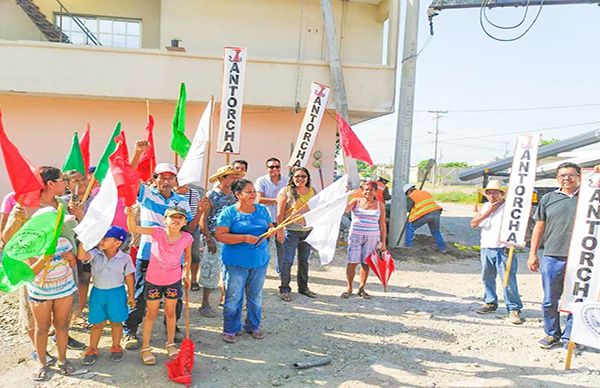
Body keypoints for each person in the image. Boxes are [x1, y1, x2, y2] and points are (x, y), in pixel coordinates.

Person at [122, 162, 192, 350]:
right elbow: (129, 178)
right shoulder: (147, 193)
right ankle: (130, 330)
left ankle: (173, 328)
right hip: (147, 254)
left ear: (175, 181)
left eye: (170, 177)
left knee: (173, 297)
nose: (166, 181)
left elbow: (186, 227)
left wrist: (186, 264)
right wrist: (137, 155)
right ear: (155, 179)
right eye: (162, 177)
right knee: (140, 294)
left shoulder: (182, 201)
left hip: (173, 259)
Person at [126, 205, 193, 365]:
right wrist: (130, 214)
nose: (176, 220)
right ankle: (146, 346)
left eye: (180, 217)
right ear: (165, 220)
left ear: (185, 221)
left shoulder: (187, 238)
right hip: (154, 280)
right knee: (151, 313)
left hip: (173, 280)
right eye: (172, 217)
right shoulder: (157, 232)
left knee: (171, 313)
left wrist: (186, 273)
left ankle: (170, 343)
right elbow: (133, 227)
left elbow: (188, 256)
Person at [528, 162, 580, 349]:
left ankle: (570, 337)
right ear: (557, 178)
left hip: (581, 259)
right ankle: (552, 334)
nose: (567, 178)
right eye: (562, 175)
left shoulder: (590, 198)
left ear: (578, 177)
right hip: (552, 256)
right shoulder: (549, 199)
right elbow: (539, 228)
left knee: (577, 300)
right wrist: (533, 253)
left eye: (571, 175)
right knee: (551, 299)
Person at [215, 179, 273, 343]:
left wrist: (272, 231)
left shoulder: (262, 210)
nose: (253, 195)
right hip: (235, 263)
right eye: (249, 192)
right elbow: (220, 235)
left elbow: (269, 226)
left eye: (254, 191)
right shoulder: (228, 213)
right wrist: (244, 238)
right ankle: (231, 328)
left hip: (259, 261)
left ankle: (253, 326)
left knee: (256, 296)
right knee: (234, 296)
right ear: (238, 195)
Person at [25, 209, 78, 381]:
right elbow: (30, 273)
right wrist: (43, 259)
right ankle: (41, 363)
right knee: (42, 327)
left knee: (62, 325)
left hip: (64, 289)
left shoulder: (63, 241)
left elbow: (72, 264)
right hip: (40, 292)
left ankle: (63, 359)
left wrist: (71, 258)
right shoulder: (31, 246)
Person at [77, 226, 135, 365]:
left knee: (116, 322)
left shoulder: (125, 258)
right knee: (97, 323)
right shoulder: (96, 254)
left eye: (105, 239)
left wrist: (131, 295)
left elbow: (129, 277)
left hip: (117, 294)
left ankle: (116, 346)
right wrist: (84, 238)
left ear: (117, 243)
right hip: (98, 293)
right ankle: (92, 349)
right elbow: (81, 256)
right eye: (100, 238)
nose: (101, 241)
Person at [470, 180, 523, 324]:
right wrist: (488, 212)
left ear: (501, 194)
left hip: (504, 248)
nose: (491, 195)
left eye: (495, 192)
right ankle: (490, 302)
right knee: (487, 276)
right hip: (486, 247)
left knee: (507, 279)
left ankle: (513, 308)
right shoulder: (485, 207)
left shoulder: (510, 208)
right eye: (489, 192)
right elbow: (474, 224)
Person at [199, 165, 244, 317]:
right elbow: (203, 219)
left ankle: (226, 299)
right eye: (231, 176)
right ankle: (205, 303)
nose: (234, 179)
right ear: (221, 178)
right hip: (214, 236)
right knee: (210, 269)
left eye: (235, 176)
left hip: (231, 237)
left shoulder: (236, 195)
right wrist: (208, 238)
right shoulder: (211, 195)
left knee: (231, 270)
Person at [276, 166, 317, 302]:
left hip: (307, 232)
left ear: (308, 178)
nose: (300, 179)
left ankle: (303, 288)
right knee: (287, 261)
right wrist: (280, 230)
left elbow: (318, 209)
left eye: (303, 176)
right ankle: (284, 289)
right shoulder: (286, 191)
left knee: (304, 261)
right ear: (292, 178)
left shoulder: (312, 191)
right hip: (291, 231)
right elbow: (280, 213)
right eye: (297, 176)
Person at [342, 180, 387, 299]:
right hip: (356, 236)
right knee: (352, 262)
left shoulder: (380, 205)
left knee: (366, 263)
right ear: (362, 190)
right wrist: (345, 196)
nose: (368, 192)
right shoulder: (355, 201)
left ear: (375, 191)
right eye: (366, 189)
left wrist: (383, 243)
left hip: (372, 238)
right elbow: (345, 210)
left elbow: (382, 224)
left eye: (371, 189)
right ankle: (349, 288)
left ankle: (362, 288)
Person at [255, 157, 289, 271]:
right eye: (271, 167)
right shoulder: (261, 181)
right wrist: (278, 200)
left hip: (282, 219)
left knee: (282, 247)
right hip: (265, 220)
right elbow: (259, 199)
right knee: (262, 246)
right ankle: (260, 269)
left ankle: (281, 270)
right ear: (267, 168)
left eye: (277, 166)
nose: (274, 169)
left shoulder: (287, 181)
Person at [175, 181, 207, 292]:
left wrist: (192, 226)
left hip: (192, 224)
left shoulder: (194, 193)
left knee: (194, 254)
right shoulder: (171, 193)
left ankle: (193, 279)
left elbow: (197, 212)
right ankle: (176, 279)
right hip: (174, 227)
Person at [403, 183, 447, 253]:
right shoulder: (425, 192)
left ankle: (408, 246)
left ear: (408, 191)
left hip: (426, 214)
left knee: (410, 227)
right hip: (436, 212)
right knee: (435, 231)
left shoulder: (411, 196)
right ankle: (443, 248)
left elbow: (409, 209)